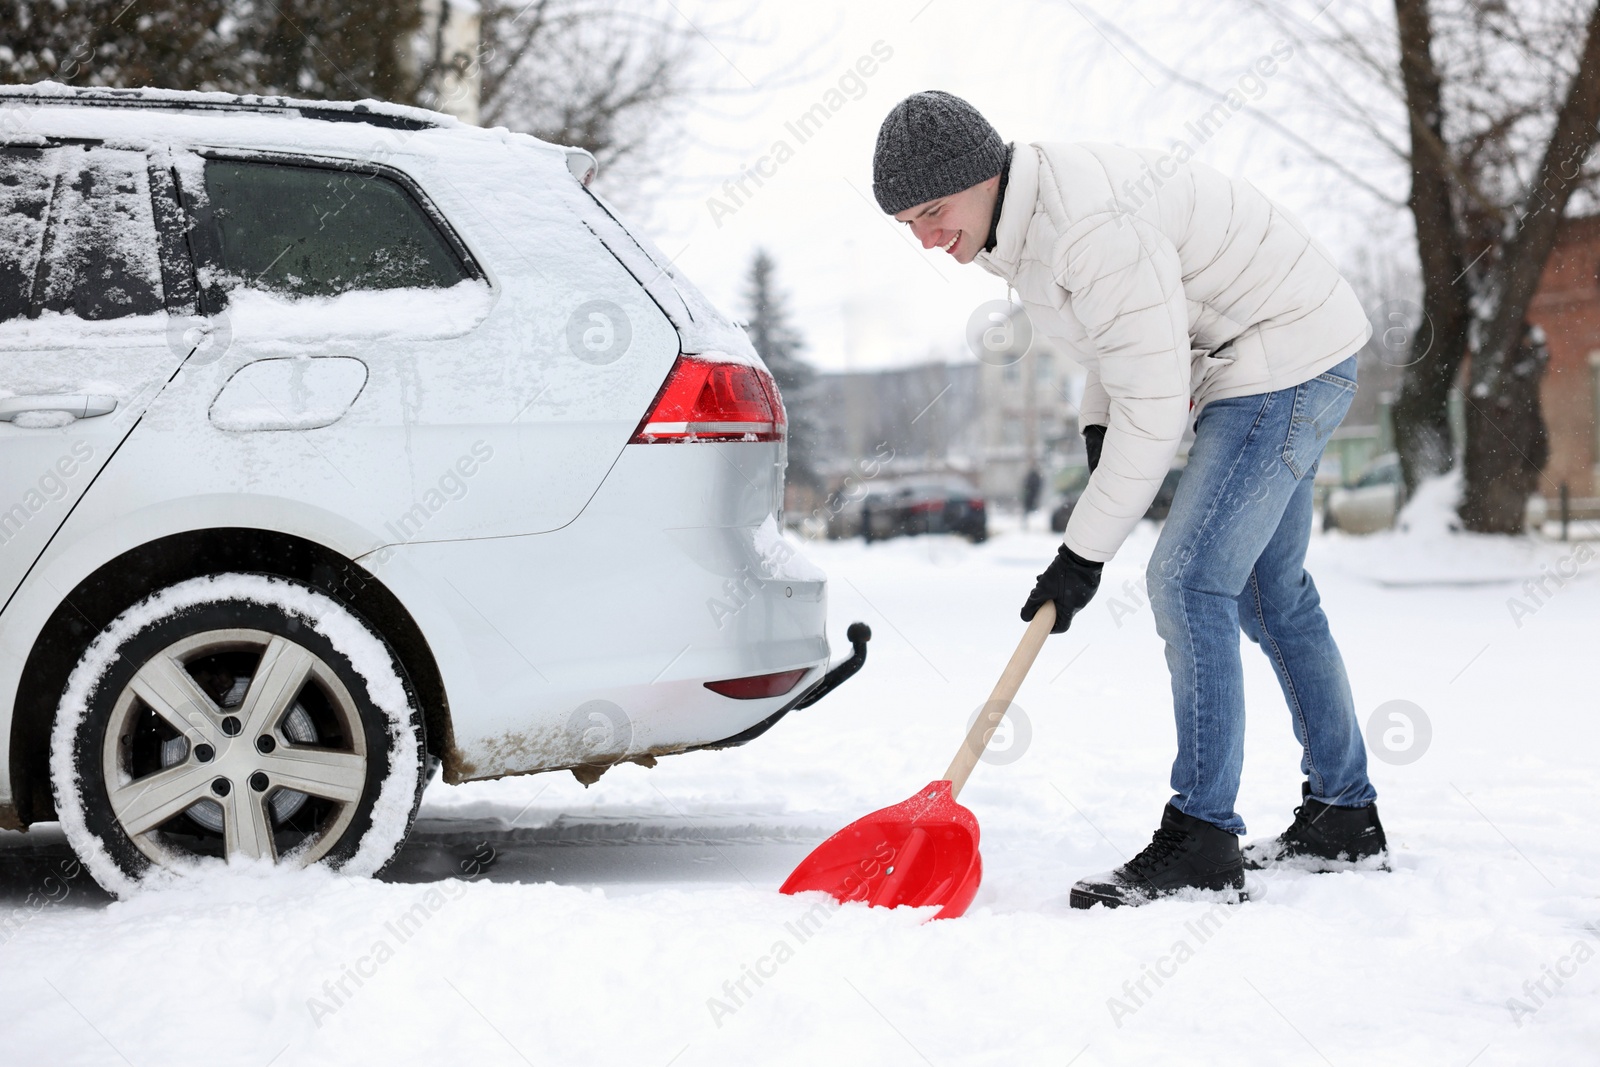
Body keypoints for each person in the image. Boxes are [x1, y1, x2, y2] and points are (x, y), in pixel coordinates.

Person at [871, 91, 1388, 909]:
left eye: (934, 211)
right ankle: (1342, 813)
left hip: (1279, 354)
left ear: (985, 173)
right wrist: (1095, 434)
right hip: (1278, 345)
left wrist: (1079, 555)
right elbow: (1118, 347)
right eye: (908, 224)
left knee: (1188, 582)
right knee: (1266, 590)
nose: (928, 239)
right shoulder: (1025, 228)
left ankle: (1203, 837)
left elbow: (1154, 398)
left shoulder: (1084, 228)